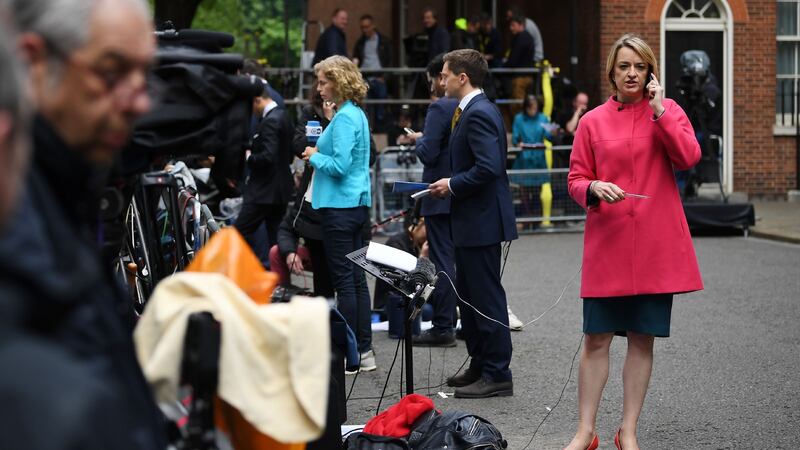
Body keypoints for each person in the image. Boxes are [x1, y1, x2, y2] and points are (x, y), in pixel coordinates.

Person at [0, 0, 166, 448]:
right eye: (111, 72)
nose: (141, 101)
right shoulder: (19, 209)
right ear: (34, 61)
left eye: (145, 74)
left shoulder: (68, 187)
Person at [564, 34, 703, 450]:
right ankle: (586, 431)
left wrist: (660, 111)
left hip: (656, 247)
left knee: (642, 338)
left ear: (651, 73)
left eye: (640, 67)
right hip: (608, 244)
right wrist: (593, 187)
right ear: (612, 71)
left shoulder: (669, 111)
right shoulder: (591, 121)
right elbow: (574, 180)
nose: (632, 74)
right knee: (596, 338)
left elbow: (689, 157)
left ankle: (628, 432)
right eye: (624, 66)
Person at [429, 49, 518, 398]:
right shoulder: (472, 110)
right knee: (469, 297)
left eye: (445, 74)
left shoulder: (478, 112)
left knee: (485, 297)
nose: (441, 80)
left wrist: (450, 184)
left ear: (462, 77)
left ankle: (498, 373)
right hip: (472, 219)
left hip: (481, 221)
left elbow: (489, 166)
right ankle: (481, 364)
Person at [302, 55, 374, 372]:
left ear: (338, 81)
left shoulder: (345, 118)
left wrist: (313, 155)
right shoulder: (354, 114)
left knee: (345, 282)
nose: (319, 88)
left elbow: (340, 166)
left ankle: (351, 354)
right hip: (356, 206)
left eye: (322, 81)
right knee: (356, 280)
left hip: (340, 209)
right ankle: (364, 350)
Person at [403, 53, 458, 347]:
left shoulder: (438, 107)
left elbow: (428, 153)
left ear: (441, 77)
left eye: (431, 81)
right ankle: (456, 321)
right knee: (456, 260)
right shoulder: (464, 105)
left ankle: (443, 325)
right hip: (459, 193)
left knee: (441, 261)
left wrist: (420, 140)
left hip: (439, 193)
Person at [235, 86, 294, 268]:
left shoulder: (270, 121)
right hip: (279, 189)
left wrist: (249, 158)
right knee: (275, 237)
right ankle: (278, 280)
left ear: (257, 100)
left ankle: (244, 273)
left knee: (239, 231)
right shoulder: (283, 116)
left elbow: (268, 157)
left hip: (264, 191)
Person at [511, 94, 553, 226]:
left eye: (534, 107)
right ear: (526, 107)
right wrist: (518, 143)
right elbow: (515, 138)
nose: (532, 110)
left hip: (538, 159)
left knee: (537, 191)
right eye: (530, 108)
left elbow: (551, 135)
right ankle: (528, 218)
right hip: (524, 159)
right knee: (525, 192)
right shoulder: (519, 119)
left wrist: (555, 131)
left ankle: (535, 219)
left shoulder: (543, 118)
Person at [352, 14, 392, 129]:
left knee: (381, 108)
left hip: (379, 77)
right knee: (365, 108)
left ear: (373, 25)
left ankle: (381, 131)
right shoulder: (360, 43)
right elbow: (355, 59)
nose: (365, 30)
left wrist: (384, 77)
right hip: (364, 78)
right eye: (362, 27)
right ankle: (368, 130)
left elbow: (390, 60)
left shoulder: (384, 41)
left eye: (367, 27)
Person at [504, 14, 535, 123]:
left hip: (520, 78)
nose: (511, 28)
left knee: (517, 105)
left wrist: (504, 66)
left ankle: (520, 127)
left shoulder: (521, 38)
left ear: (521, 25)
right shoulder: (527, 37)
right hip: (526, 76)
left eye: (513, 25)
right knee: (522, 103)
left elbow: (514, 59)